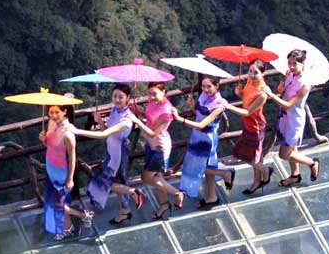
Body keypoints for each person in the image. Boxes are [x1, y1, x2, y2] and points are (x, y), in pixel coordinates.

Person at [71, 84, 144, 225]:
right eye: (115, 96)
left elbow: (103, 134)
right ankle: (125, 211)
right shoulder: (115, 110)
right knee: (117, 182)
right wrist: (99, 121)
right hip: (112, 152)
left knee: (102, 183)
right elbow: (108, 132)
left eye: (121, 97)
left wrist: (77, 131)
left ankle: (134, 192)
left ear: (128, 98)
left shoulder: (127, 120)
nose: (117, 99)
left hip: (118, 154)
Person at [174, 75, 236, 208]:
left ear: (217, 86)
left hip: (207, 138)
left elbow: (203, 124)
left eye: (209, 86)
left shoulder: (219, 104)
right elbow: (199, 113)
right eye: (203, 86)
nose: (206, 89)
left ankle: (225, 173)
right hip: (198, 135)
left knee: (198, 167)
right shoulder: (203, 96)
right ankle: (212, 197)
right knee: (209, 166)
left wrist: (180, 119)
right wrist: (192, 106)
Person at [261, 50, 320, 187]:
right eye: (289, 63)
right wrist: (281, 90)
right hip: (285, 118)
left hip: (294, 121)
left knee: (284, 154)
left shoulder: (305, 84)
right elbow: (285, 95)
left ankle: (312, 163)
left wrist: (271, 94)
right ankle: (295, 175)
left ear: (303, 64)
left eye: (295, 63)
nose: (291, 66)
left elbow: (288, 105)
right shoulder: (289, 74)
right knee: (292, 150)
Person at [129, 81, 185, 219]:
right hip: (151, 145)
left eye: (155, 94)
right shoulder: (153, 103)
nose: (151, 97)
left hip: (160, 147)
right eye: (149, 93)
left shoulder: (167, 111)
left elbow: (153, 132)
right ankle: (164, 204)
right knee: (157, 177)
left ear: (164, 92)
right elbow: (150, 118)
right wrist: (139, 112)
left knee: (146, 177)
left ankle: (177, 193)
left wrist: (136, 121)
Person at [225, 60, 273, 195]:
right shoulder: (249, 82)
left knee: (247, 157)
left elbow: (248, 111)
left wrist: (229, 106)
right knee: (251, 156)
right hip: (248, 124)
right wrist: (239, 93)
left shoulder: (262, 93)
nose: (251, 75)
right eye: (250, 71)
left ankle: (265, 171)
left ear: (263, 73)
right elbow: (246, 98)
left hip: (256, 127)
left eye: (256, 72)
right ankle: (256, 183)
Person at [38, 103, 83, 240]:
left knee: (58, 202)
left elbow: (72, 156)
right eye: (51, 112)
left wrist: (70, 179)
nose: (53, 115)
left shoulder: (68, 133)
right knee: (54, 200)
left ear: (65, 112)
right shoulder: (52, 124)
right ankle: (67, 227)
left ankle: (82, 215)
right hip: (51, 167)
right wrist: (43, 139)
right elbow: (50, 146)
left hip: (61, 172)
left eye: (57, 112)